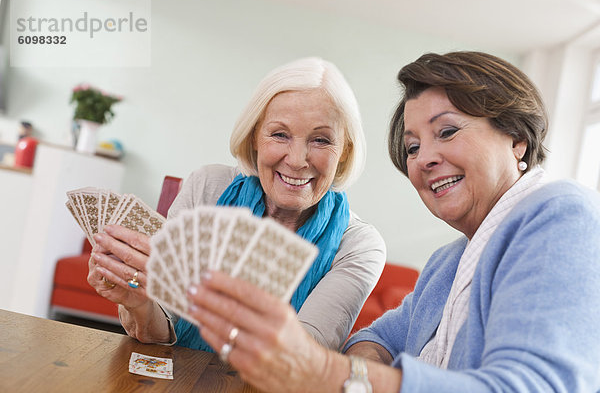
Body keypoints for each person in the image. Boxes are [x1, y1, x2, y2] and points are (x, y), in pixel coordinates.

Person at [184, 51, 600, 392]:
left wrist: (335, 374)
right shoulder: (450, 262)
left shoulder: (561, 214)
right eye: (413, 146)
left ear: (517, 139)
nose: (425, 158)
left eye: (448, 131)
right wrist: (363, 372)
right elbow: (374, 339)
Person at [87, 57, 386, 352]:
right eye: (280, 134)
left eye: (321, 140)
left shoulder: (360, 245)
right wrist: (140, 304)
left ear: (345, 150)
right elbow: (160, 325)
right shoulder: (208, 187)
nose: (297, 160)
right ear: (254, 136)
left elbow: (305, 358)